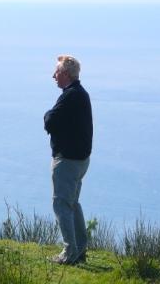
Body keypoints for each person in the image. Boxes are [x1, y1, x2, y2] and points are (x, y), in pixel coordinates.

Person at [44, 55, 93, 265]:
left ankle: (70, 252)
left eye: (56, 72)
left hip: (68, 161)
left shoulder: (70, 96)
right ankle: (80, 249)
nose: (53, 76)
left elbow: (50, 121)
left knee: (61, 204)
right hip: (80, 160)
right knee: (72, 203)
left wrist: (47, 115)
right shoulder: (80, 94)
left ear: (65, 74)